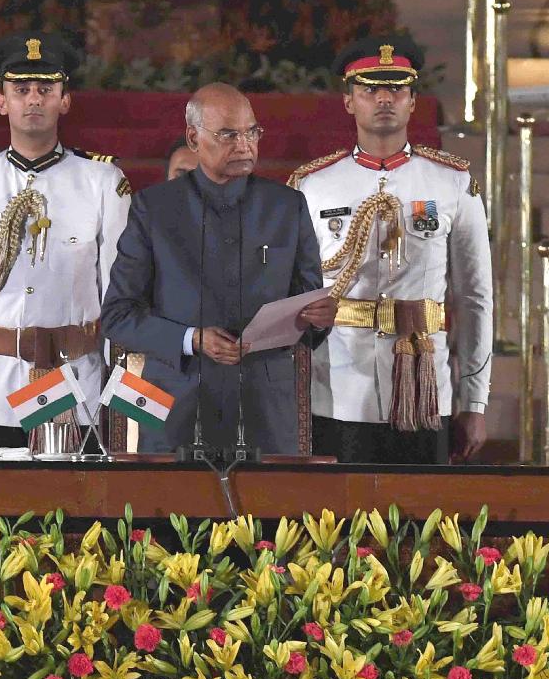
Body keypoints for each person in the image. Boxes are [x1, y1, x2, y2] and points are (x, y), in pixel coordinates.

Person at [101, 83, 336, 455]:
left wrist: (320, 318)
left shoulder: (286, 207)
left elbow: (307, 311)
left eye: (252, 132)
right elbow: (117, 316)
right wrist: (191, 339)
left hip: (265, 411)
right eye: (228, 134)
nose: (244, 145)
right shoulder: (154, 208)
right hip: (174, 409)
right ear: (194, 139)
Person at [290, 36, 493, 464]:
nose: (384, 99)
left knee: (421, 503)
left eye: (397, 89)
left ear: (413, 101)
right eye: (370, 90)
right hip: (339, 387)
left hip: (424, 384)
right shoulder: (313, 185)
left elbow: (475, 299)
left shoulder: (452, 182)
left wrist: (474, 402)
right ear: (349, 101)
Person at [0, 31, 130, 460]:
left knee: (68, 503)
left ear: (65, 100)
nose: (33, 99)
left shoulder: (101, 182)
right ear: (2, 102)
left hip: (73, 384)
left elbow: (119, 297)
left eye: (45, 89)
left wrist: (121, 404)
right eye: (21, 90)